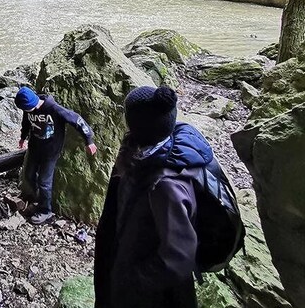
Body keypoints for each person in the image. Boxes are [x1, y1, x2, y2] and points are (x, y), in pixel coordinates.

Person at [93, 85, 210, 308]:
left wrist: (132, 280)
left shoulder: (165, 187)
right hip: (129, 252)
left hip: (150, 295)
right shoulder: (143, 151)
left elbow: (179, 258)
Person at [16, 86, 97, 225]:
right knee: (29, 175)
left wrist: (89, 140)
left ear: (32, 103)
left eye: (25, 108)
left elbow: (76, 120)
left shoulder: (54, 109)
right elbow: (26, 122)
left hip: (51, 151)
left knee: (44, 182)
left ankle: (45, 211)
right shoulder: (28, 110)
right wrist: (23, 137)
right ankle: (37, 199)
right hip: (35, 148)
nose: (25, 111)